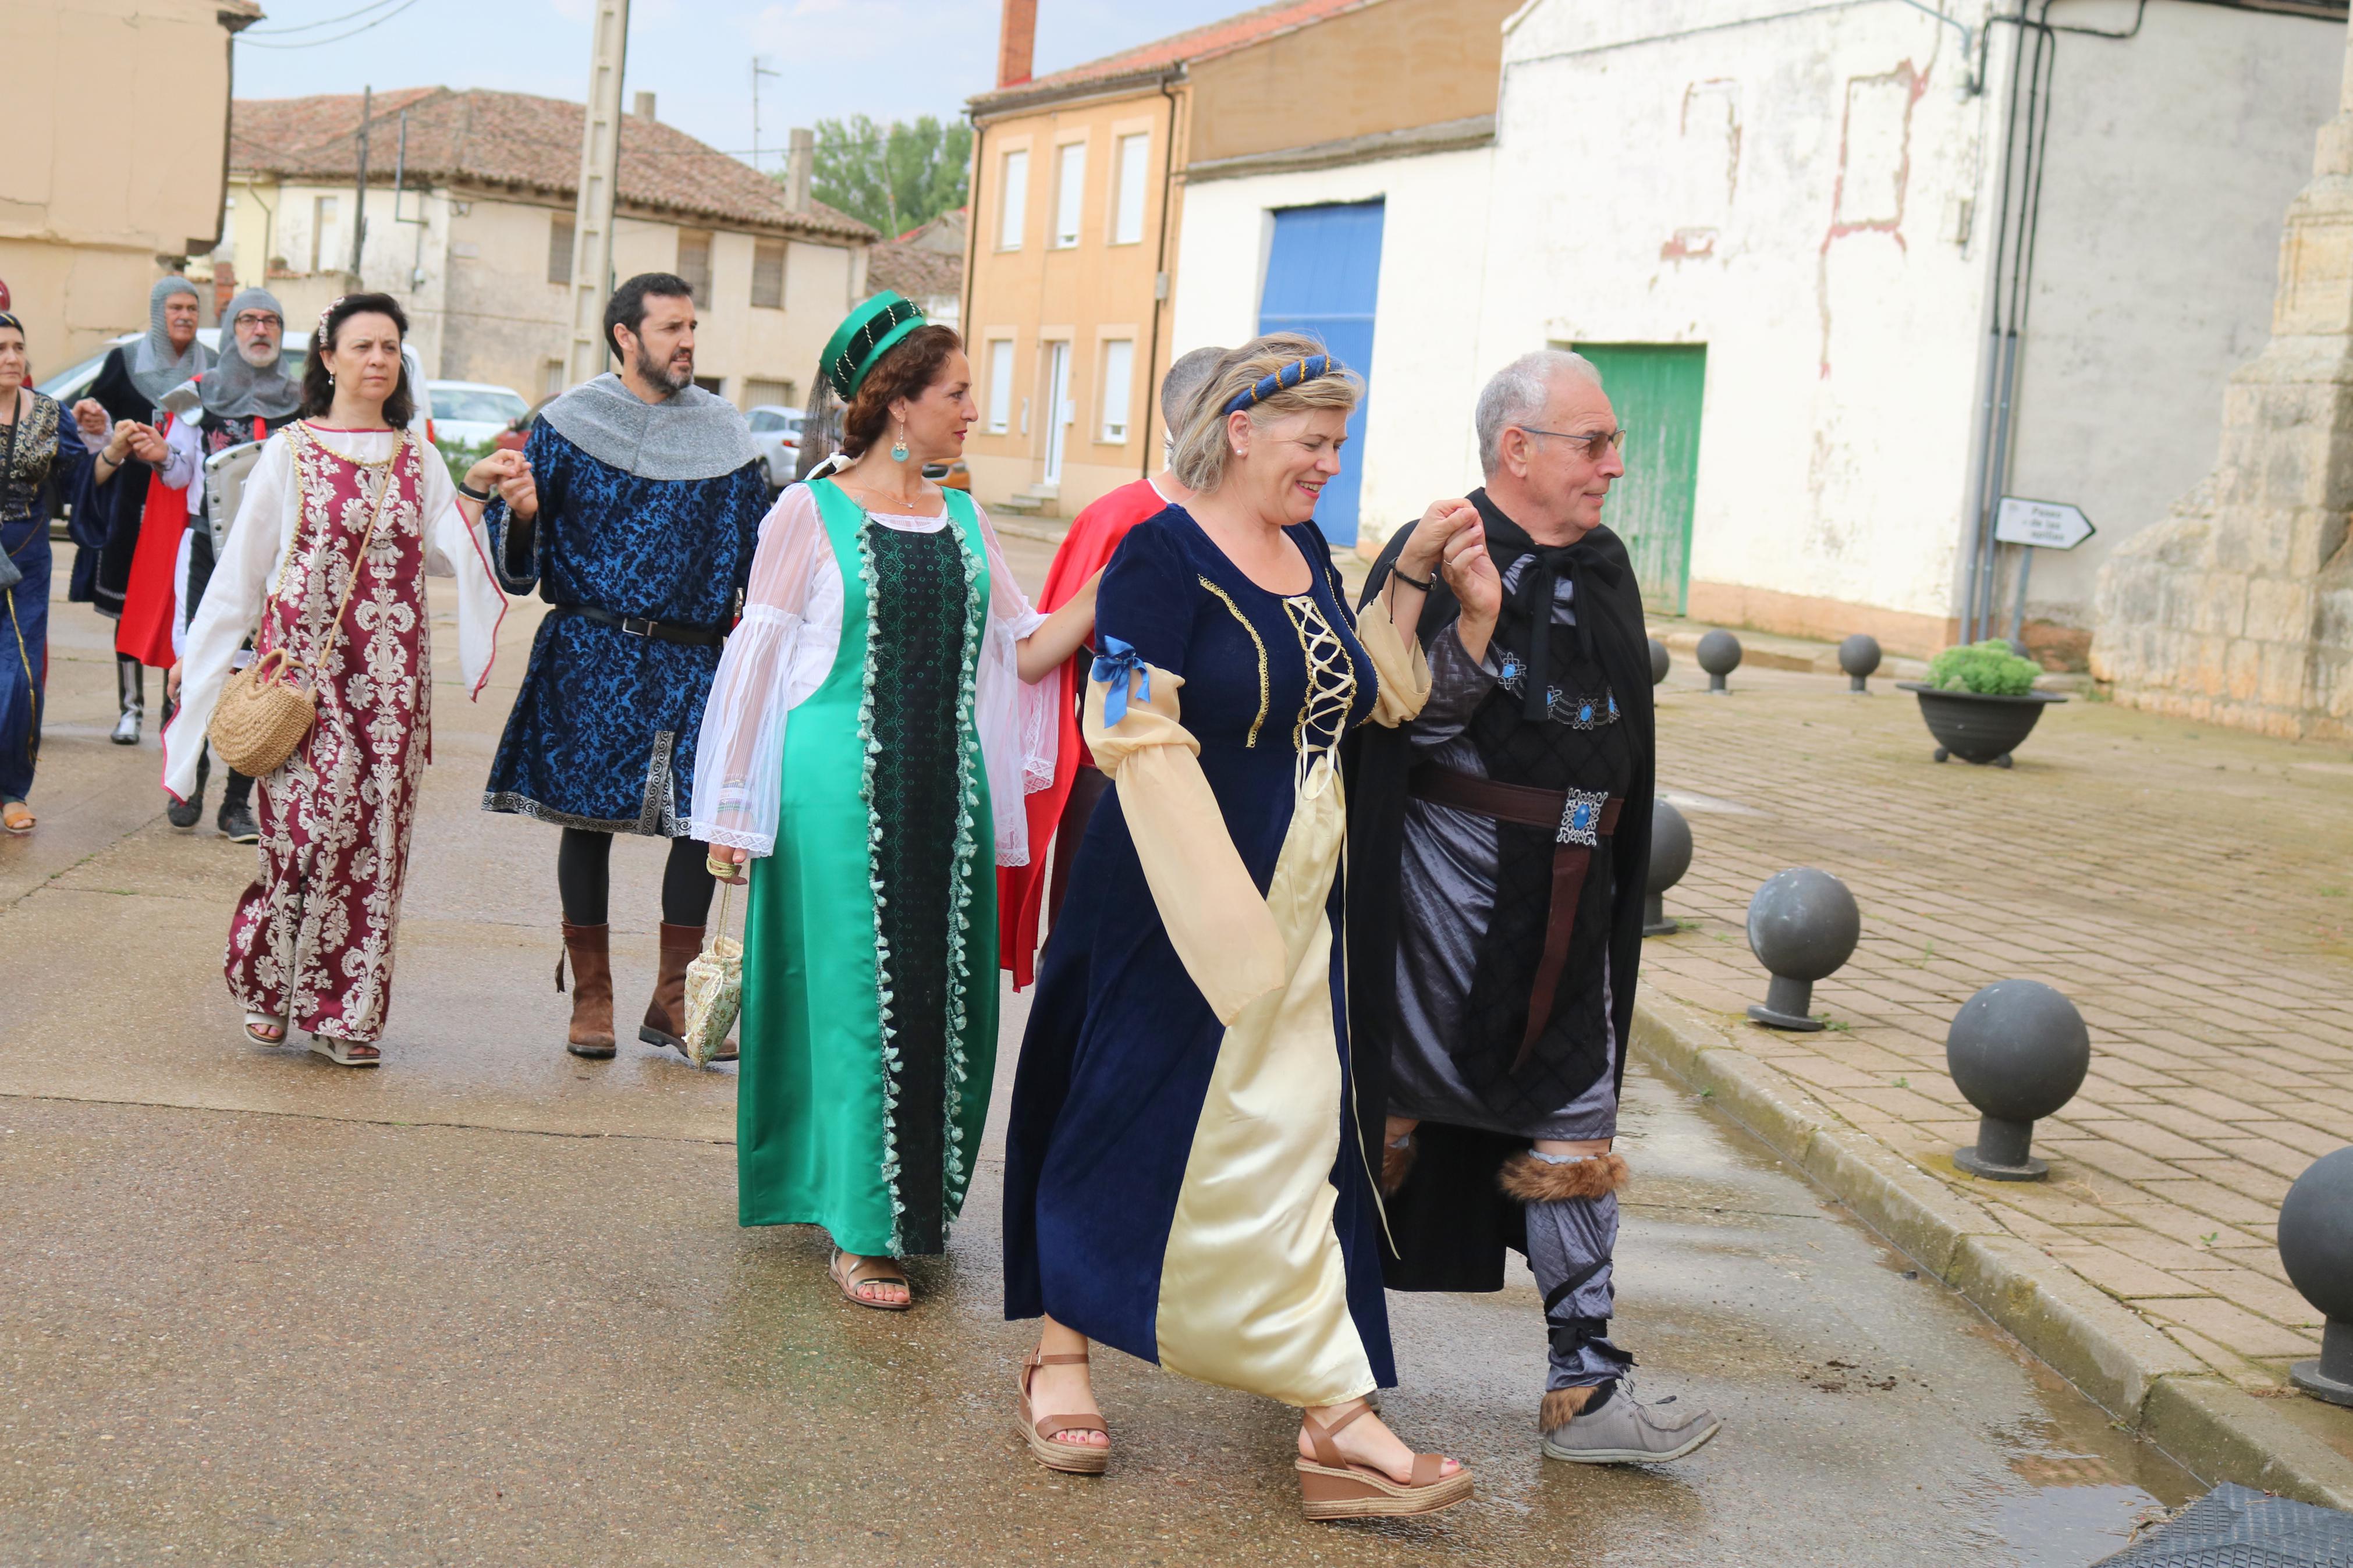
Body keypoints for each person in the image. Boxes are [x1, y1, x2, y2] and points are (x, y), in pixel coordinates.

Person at [1000, 334, 1477, 1520]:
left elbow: (1357, 692)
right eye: (1311, 442)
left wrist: (1411, 579)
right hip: (1173, 886)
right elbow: (1126, 722)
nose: (1326, 464)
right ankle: (1061, 1355)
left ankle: (1335, 1417)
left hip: (1300, 886)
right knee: (1122, 1115)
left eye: (1336, 444)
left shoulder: (1306, 547)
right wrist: (1220, 912)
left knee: (1302, 1135)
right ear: (1237, 432)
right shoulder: (1158, 555)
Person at [1350, 349, 1722, 1466]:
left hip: (1572, 888)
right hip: (1446, 895)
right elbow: (1398, 722)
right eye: (1592, 443)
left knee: (1578, 1120)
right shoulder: (1435, 549)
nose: (1613, 465)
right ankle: (1323, 1363)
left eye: (1611, 442)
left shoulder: (1604, 563)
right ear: (1516, 450)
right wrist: (1470, 616)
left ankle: (1584, 1390)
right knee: (1388, 1115)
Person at [695, 293, 1092, 1311]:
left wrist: (1118, 580)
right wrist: (732, 814)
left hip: (946, 784)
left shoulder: (962, 513)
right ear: (897, 403)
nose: (972, 412)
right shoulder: (808, 511)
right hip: (835, 790)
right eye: (957, 393)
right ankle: (860, 1229)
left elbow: (1024, 644)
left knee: (939, 994)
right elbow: (761, 657)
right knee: (854, 1001)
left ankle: (914, 1207)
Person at [165, 293, 520, 1067]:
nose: (377, 359)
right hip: (303, 680)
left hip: (392, 687)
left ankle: (345, 1009)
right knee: (300, 836)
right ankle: (268, 986)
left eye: (390, 346)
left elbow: (436, 553)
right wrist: (201, 664)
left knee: (375, 844)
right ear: (327, 358)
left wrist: (478, 489)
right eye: (362, 345)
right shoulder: (288, 453)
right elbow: (241, 574)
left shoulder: (416, 454)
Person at [481, 273, 768, 1062]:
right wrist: (525, 514)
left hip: (692, 653)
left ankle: (671, 999)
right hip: (592, 647)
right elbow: (518, 546)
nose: (686, 343)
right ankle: (593, 997)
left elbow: (764, 551)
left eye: (691, 328)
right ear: (624, 336)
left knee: (695, 822)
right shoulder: (567, 424)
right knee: (586, 819)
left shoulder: (727, 436)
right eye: (671, 328)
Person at [996, 344, 1223, 988]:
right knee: (1095, 961)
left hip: (1224, 777)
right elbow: (1053, 655)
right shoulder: (1119, 517)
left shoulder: (1272, 526)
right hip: (1117, 776)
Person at [155, 286, 305, 842]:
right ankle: (186, 782)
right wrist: (156, 454)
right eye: (248, 320)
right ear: (230, 329)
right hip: (206, 550)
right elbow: (176, 473)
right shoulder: (198, 396)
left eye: (270, 320)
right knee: (195, 662)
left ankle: (237, 803)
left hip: (276, 559)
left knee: (263, 672)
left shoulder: (304, 401)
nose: (260, 329)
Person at [71, 275, 212, 745]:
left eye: (192, 308)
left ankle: (174, 711)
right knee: (128, 606)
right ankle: (130, 708)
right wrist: (95, 416)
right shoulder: (126, 360)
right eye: (175, 307)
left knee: (184, 608)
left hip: (187, 504)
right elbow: (94, 421)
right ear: (158, 312)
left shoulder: (211, 369)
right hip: (131, 502)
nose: (185, 316)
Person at [0, 310, 103, 834]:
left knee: (20, 675)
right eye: (1, 349)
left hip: (27, 558)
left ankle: (12, 789)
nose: (12, 357)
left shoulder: (49, 413)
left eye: (18, 347)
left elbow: (84, 477)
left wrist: (112, 447)